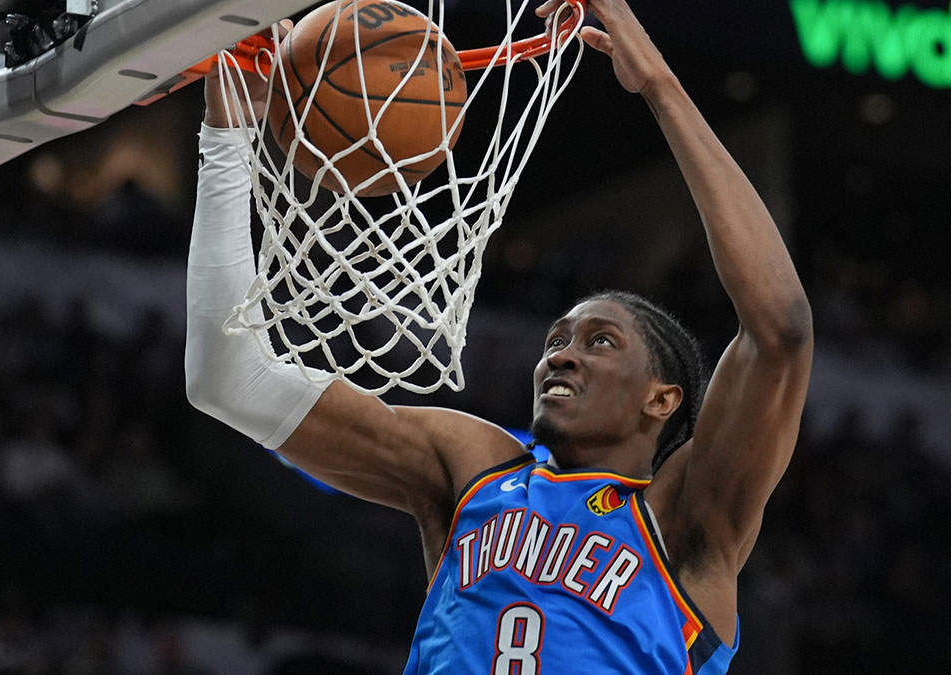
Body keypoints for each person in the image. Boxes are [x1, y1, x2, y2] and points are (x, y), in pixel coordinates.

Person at [185, 0, 813, 672]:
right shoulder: (474, 465)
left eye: (599, 341)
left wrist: (659, 85)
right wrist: (228, 142)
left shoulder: (686, 518)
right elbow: (227, 376)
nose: (561, 354)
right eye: (556, 340)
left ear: (661, 400)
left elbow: (778, 328)